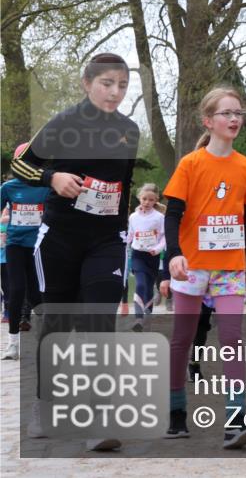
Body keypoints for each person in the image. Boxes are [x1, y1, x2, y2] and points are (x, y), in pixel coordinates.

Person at [12, 52, 139, 451]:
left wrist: (122, 234)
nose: (115, 92)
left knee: (99, 322)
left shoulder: (129, 130)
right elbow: (20, 167)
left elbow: (126, 185)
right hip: (61, 239)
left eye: (122, 85)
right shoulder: (64, 123)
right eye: (107, 83)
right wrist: (53, 177)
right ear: (87, 83)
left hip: (105, 240)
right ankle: (45, 404)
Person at [161, 87, 246, 449]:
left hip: (231, 267)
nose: (235, 119)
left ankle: (236, 420)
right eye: (226, 113)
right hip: (192, 266)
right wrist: (173, 255)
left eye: (239, 113)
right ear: (209, 121)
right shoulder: (191, 164)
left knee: (232, 339)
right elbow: (172, 214)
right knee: (182, 339)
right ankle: (176, 412)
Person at [1, 143, 48, 357]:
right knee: (17, 290)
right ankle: (12, 343)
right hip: (15, 245)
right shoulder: (8, 188)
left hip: (38, 247)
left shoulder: (47, 187)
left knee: (38, 293)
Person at [126, 183, 166, 331]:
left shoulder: (159, 217)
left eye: (150, 200)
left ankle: (147, 315)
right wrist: (123, 245)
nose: (147, 202)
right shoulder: (133, 217)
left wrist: (157, 249)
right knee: (141, 284)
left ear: (156, 200)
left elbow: (164, 237)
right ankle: (138, 318)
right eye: (144, 199)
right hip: (138, 255)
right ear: (139, 198)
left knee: (149, 287)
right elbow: (130, 235)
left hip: (152, 256)